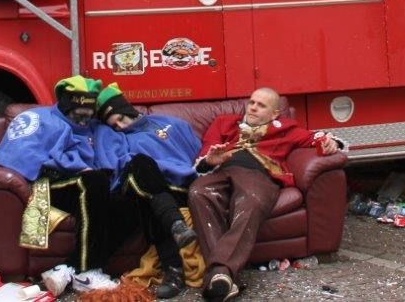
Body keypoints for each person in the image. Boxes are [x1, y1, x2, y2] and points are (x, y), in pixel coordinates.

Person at [188, 88, 344, 301]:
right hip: (223, 170)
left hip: (258, 174)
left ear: (274, 114)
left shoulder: (286, 129)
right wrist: (209, 161)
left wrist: (329, 142)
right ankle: (223, 275)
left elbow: (316, 137)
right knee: (198, 191)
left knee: (251, 200)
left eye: (261, 105)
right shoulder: (224, 123)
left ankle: (220, 275)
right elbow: (206, 153)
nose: (253, 107)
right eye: (252, 102)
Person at [0, 76, 138, 279]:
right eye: (78, 115)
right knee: (94, 181)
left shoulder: (95, 128)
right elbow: (19, 155)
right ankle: (88, 271)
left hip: (92, 185)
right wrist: (70, 167)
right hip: (48, 183)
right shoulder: (39, 119)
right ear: (66, 108)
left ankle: (71, 268)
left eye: (88, 116)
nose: (83, 122)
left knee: (130, 202)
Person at [98, 84, 200, 299]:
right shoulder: (118, 138)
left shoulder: (169, 123)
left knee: (148, 191)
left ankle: (173, 270)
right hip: (148, 186)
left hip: (184, 185)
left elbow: (198, 152)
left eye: (120, 118)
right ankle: (176, 232)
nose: (120, 126)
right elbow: (116, 168)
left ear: (126, 109)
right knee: (142, 170)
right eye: (114, 125)